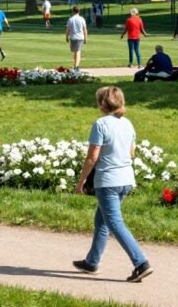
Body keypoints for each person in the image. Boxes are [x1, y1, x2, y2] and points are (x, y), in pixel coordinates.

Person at [74, 86, 153, 283]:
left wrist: (81, 181)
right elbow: (131, 152)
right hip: (126, 179)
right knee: (102, 221)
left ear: (103, 103)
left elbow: (92, 157)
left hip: (108, 181)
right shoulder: (127, 124)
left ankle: (141, 263)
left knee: (115, 223)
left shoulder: (100, 124)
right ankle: (91, 262)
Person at [64, 6, 89, 72]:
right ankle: (76, 66)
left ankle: (76, 66)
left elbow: (67, 29)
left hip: (73, 37)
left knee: (76, 51)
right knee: (77, 52)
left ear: (73, 11)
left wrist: (66, 37)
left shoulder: (70, 19)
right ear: (79, 11)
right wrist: (86, 38)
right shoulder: (82, 19)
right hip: (80, 37)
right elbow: (85, 29)